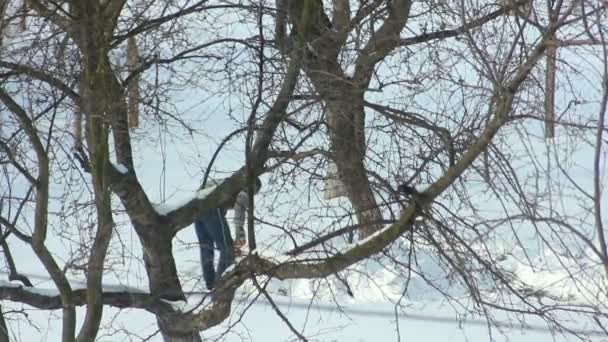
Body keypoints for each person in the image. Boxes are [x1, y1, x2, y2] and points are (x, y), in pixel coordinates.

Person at [194, 177, 261, 291]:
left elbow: (202, 188)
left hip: (196, 208)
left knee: (206, 248)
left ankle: (210, 284)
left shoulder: (228, 182)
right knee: (228, 250)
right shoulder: (244, 190)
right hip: (212, 210)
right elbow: (239, 212)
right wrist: (240, 236)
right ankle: (220, 285)